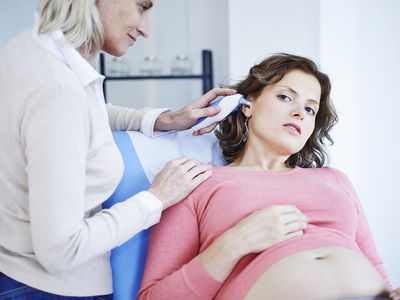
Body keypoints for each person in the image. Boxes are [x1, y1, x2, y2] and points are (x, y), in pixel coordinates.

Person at [0, 0, 236, 298]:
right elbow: (60, 251)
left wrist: (163, 119)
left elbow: (81, 111)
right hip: (50, 289)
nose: (147, 29)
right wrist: (156, 198)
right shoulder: (59, 91)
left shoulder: (31, 46)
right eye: (141, 7)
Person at [138, 53, 398, 300]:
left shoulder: (336, 180)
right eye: (286, 97)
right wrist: (234, 243)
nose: (299, 113)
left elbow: (375, 266)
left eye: (310, 109)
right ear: (247, 105)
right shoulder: (197, 181)